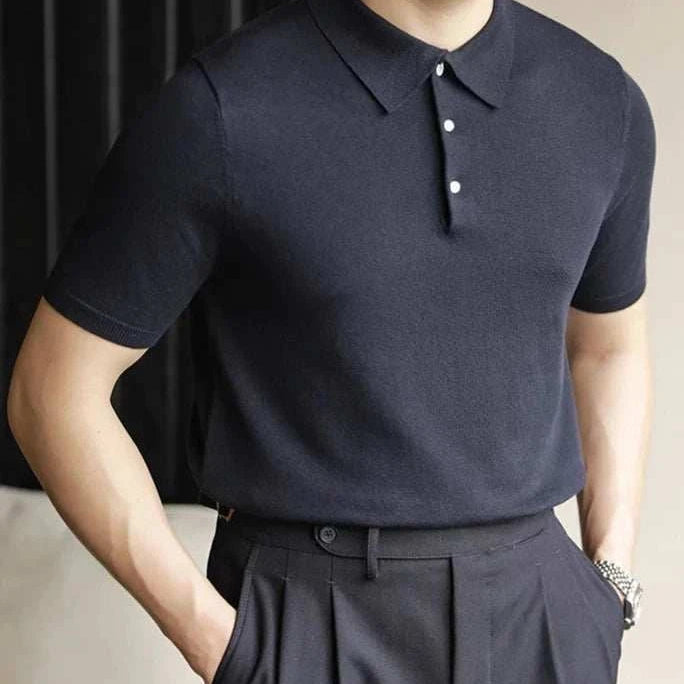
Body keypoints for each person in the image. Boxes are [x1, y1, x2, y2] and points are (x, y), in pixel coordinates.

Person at [7, 0, 655, 681]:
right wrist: (220, 643)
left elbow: (607, 347)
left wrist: (609, 576)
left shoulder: (602, 100)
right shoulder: (222, 107)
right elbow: (51, 391)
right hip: (309, 615)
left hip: (544, 615)